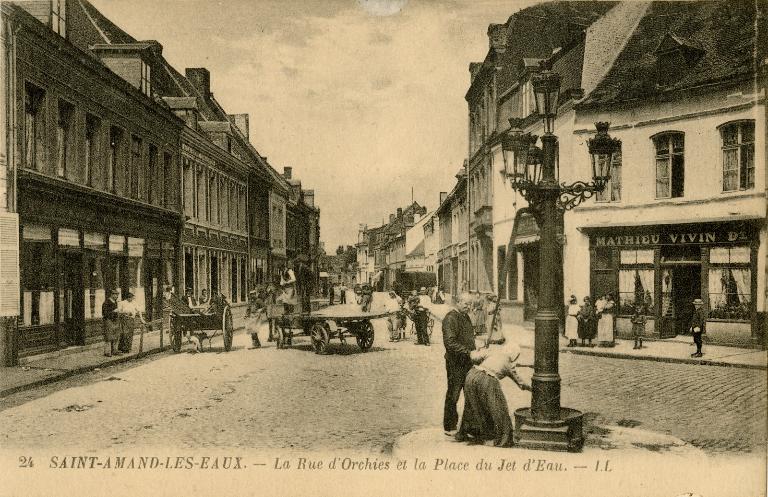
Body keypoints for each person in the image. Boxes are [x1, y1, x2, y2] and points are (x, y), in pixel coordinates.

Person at [455, 333, 531, 447]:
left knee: (471, 405)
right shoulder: (509, 364)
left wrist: (480, 351)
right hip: (487, 380)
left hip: (471, 375)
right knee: (499, 408)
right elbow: (520, 383)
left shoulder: (493, 352)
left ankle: (468, 433)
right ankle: (504, 439)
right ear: (514, 355)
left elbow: (474, 357)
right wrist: (532, 388)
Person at [442, 293, 476, 435]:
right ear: (458, 302)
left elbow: (468, 337)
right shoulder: (450, 318)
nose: (468, 307)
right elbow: (450, 343)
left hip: (467, 362)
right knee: (454, 394)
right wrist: (468, 352)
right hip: (455, 363)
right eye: (466, 304)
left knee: (470, 393)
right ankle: (450, 426)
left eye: (470, 304)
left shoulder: (465, 316)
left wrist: (475, 350)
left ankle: (469, 426)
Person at [102, 289, 120, 357]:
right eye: (115, 295)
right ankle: (107, 352)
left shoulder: (115, 302)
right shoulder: (106, 302)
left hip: (115, 320)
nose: (116, 296)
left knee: (116, 335)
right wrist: (114, 311)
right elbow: (104, 313)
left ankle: (115, 350)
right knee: (108, 336)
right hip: (108, 320)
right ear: (111, 295)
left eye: (117, 295)